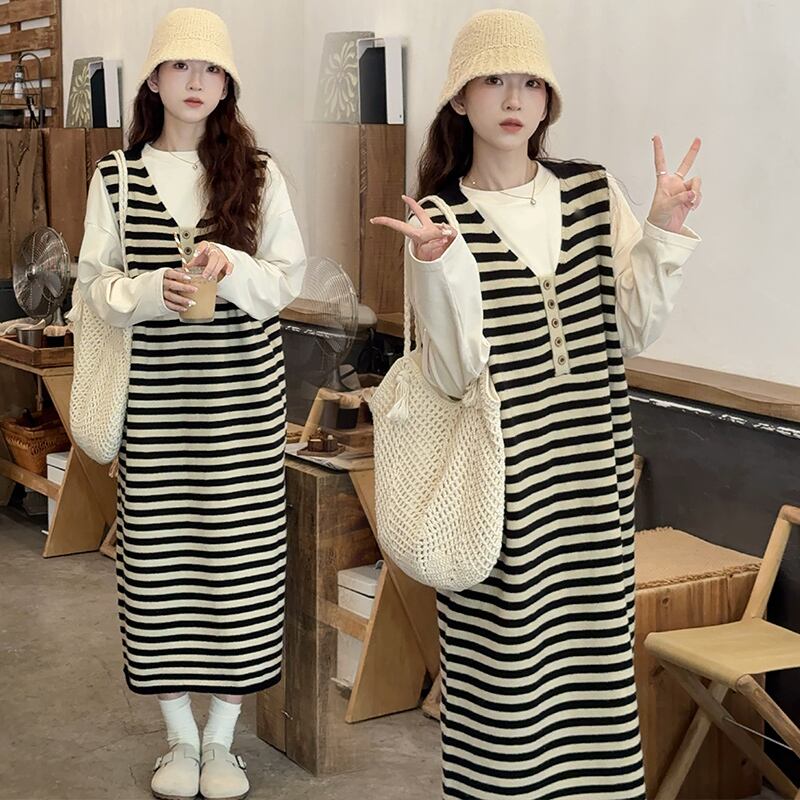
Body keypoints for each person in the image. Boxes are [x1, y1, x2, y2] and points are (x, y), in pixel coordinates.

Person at [371, 9, 702, 799]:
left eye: (530, 82)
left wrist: (663, 230)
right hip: (499, 486)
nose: (514, 98)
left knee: (595, 678)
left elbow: (632, 330)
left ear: (549, 99)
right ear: (461, 99)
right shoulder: (439, 217)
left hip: (590, 479)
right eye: (493, 81)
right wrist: (440, 269)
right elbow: (455, 373)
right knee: (506, 684)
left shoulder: (591, 192)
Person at [75, 8, 306, 800]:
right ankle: (178, 737)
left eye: (211, 69)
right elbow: (93, 287)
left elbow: (286, 282)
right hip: (156, 411)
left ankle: (222, 743)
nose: (196, 81)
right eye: (180, 66)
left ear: (228, 84)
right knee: (158, 567)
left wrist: (231, 267)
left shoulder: (260, 173)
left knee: (242, 567)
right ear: (154, 79)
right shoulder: (115, 176)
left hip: (242, 409)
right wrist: (149, 292)